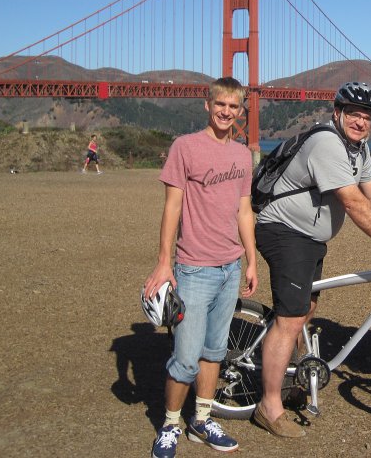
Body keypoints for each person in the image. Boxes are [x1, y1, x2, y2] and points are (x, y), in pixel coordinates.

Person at [253, 81, 371, 438]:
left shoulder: (358, 148)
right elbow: (353, 200)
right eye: (354, 114)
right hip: (284, 232)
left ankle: (294, 375)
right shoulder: (328, 143)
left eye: (367, 117)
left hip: (310, 238)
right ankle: (269, 406)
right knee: (291, 317)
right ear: (337, 113)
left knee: (305, 310)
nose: (361, 122)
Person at [143, 77, 258, 457]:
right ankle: (170, 424)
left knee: (214, 352)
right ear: (207, 106)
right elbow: (171, 207)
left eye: (234, 106)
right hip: (193, 268)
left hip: (230, 267)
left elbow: (244, 210)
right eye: (220, 104)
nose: (227, 111)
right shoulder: (185, 147)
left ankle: (202, 420)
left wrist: (252, 258)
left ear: (241, 111)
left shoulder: (243, 156)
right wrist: (164, 263)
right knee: (186, 359)